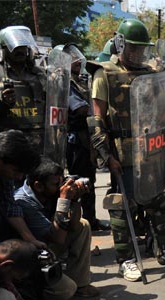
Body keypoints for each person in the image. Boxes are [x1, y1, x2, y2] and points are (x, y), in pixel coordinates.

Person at [87, 19, 165, 281]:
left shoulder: (151, 72)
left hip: (152, 147)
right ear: (120, 44)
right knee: (123, 205)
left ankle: (163, 249)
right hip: (123, 150)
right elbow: (97, 119)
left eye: (142, 49)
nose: (138, 54)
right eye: (133, 48)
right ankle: (126, 259)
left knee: (159, 200)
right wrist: (107, 156)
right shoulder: (103, 73)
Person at [12, 158, 100, 299]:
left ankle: (81, 283)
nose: (61, 187)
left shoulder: (49, 192)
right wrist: (64, 200)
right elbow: (58, 238)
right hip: (29, 257)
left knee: (83, 225)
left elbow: (74, 225)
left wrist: (74, 200)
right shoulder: (22, 201)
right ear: (39, 186)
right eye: (55, 184)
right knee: (66, 290)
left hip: (47, 243)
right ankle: (31, 294)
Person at [58, 43, 109, 232]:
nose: (77, 60)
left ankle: (91, 220)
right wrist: (100, 110)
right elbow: (79, 108)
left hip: (85, 138)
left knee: (89, 181)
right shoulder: (65, 81)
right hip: (75, 140)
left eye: (76, 55)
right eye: (71, 57)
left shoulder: (81, 80)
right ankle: (79, 223)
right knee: (78, 182)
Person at [0, 26, 46, 151]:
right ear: (2, 50)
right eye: (14, 47)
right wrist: (0, 100)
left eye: (23, 46)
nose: (20, 50)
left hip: (39, 144)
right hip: (7, 144)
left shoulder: (40, 75)